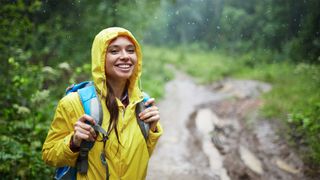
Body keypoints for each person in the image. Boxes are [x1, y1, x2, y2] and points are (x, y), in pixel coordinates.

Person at [42, 27, 163, 179]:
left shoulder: (142, 103)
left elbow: (140, 159)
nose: (125, 56)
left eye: (131, 50)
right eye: (114, 51)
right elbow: (49, 155)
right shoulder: (74, 102)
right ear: (100, 57)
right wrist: (73, 142)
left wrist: (152, 129)